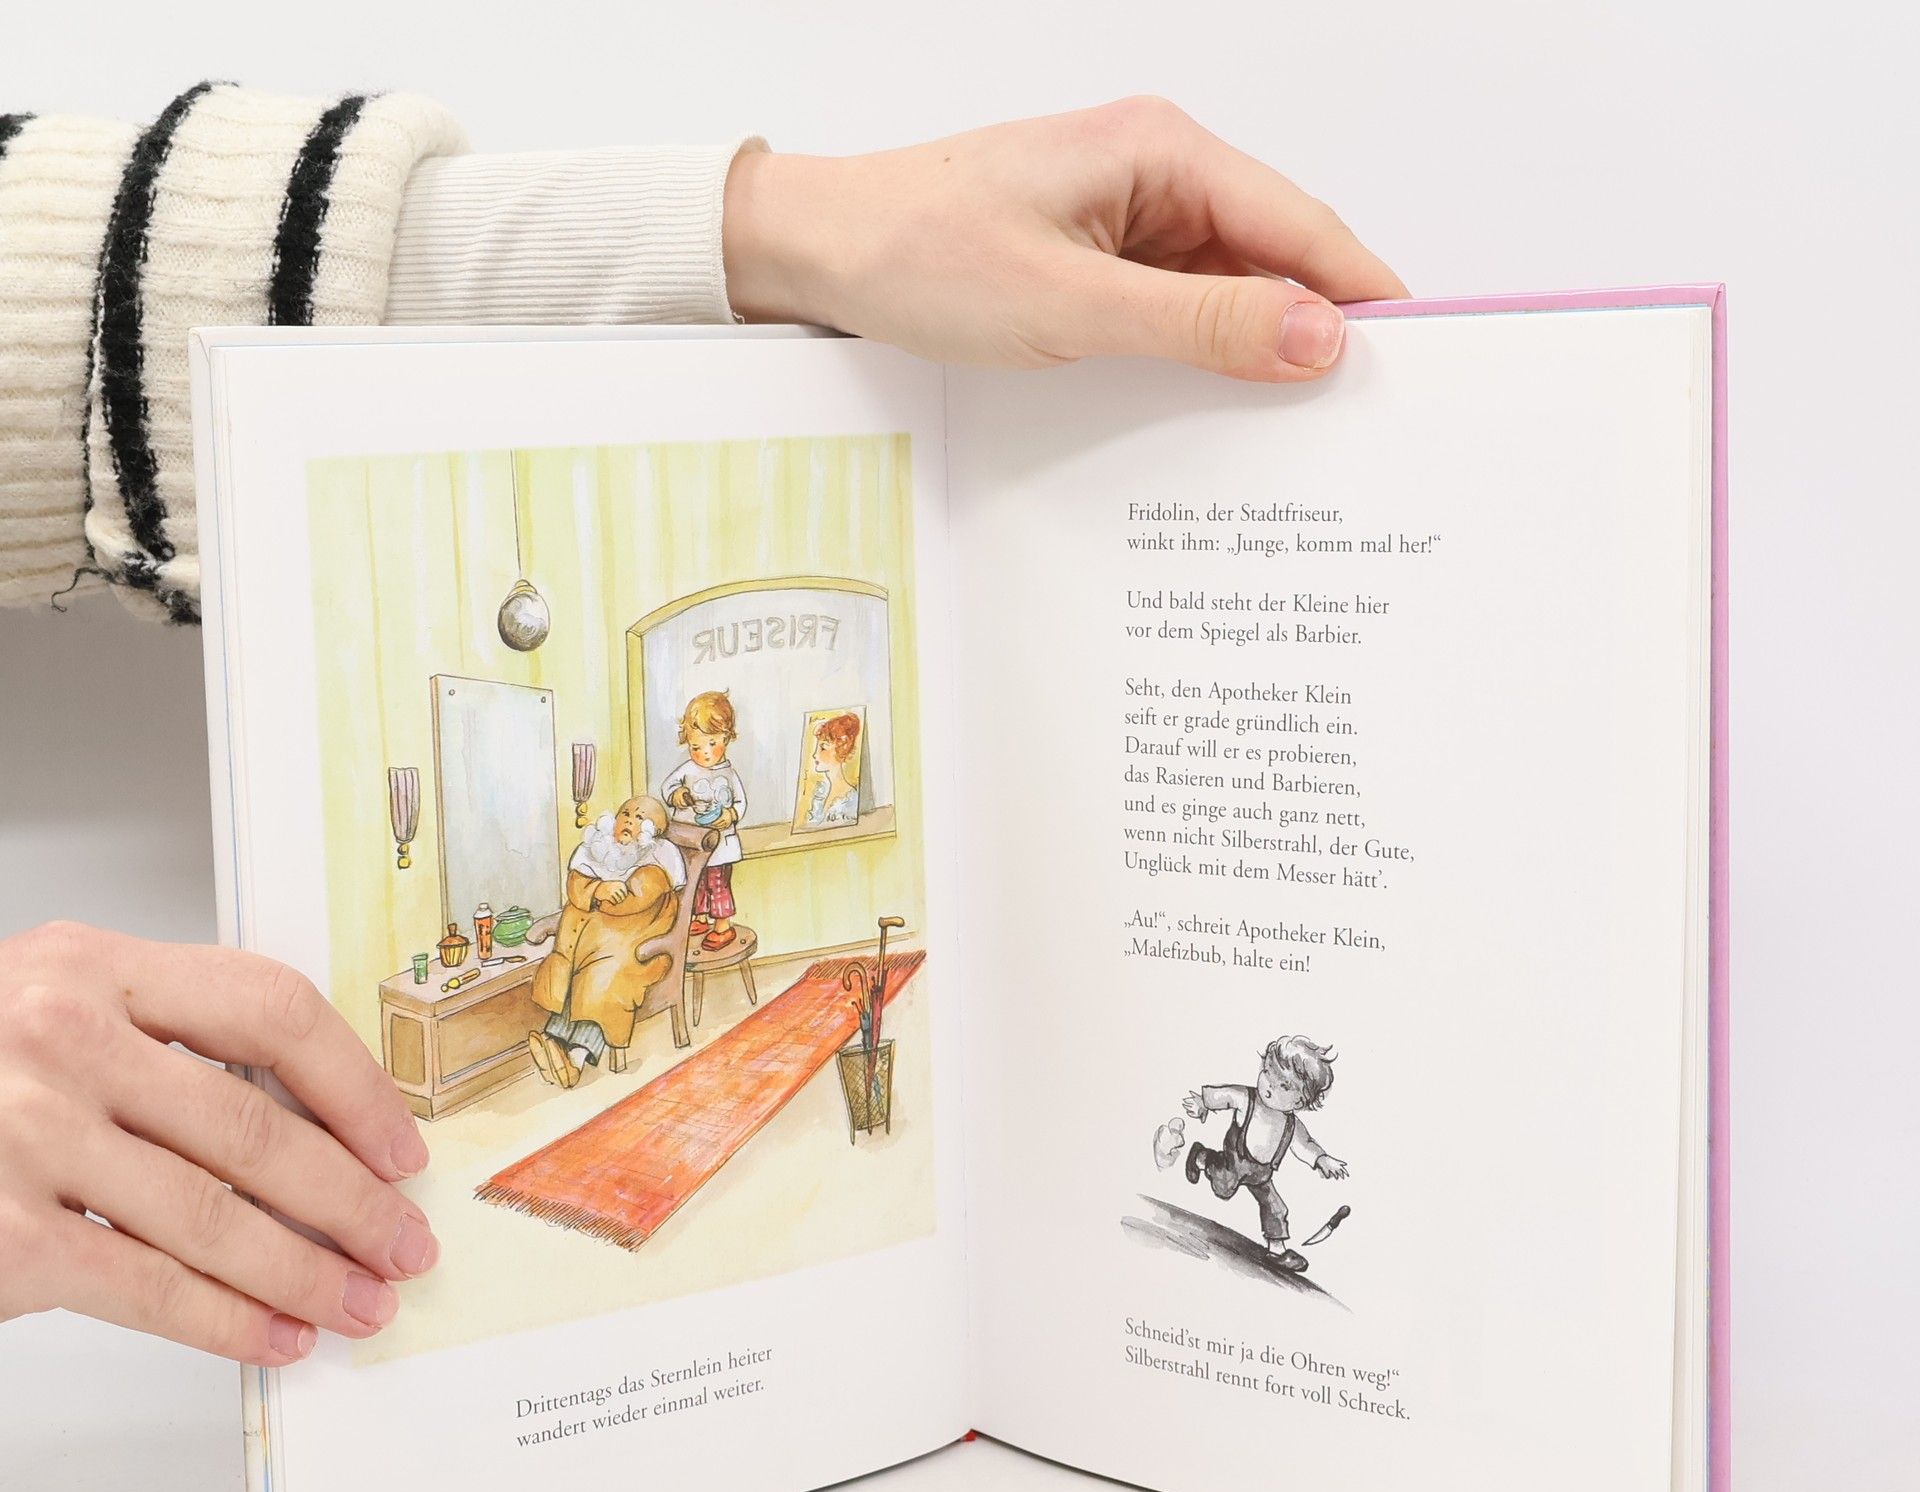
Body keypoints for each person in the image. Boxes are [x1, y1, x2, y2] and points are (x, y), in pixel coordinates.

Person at [0, 88, 1405, 1366]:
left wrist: (772, 227)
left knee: (634, 941)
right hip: (648, 895)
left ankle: (589, 1027)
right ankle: (576, 1035)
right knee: (594, 953)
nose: (703, 755)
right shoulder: (642, 822)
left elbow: (89, 301)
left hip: (686, 881)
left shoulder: (698, 806)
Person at [527, 797, 685, 1088]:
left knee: (601, 983)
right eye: (625, 812)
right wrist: (596, 888)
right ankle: (554, 1046)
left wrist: (603, 894)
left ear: (652, 831)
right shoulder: (599, 849)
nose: (629, 820)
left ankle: (574, 1060)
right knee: (573, 975)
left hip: (634, 948)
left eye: (640, 817)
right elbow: (576, 885)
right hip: (591, 942)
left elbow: (631, 901)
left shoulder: (656, 861)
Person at [1183, 1035, 1349, 1266]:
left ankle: (1277, 1251)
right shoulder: (1247, 1098)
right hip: (1235, 1161)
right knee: (1223, 1188)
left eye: (1284, 1086)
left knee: (1276, 1208)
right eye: (1268, 1072)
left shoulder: (1292, 1125)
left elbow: (1305, 1144)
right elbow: (1226, 1095)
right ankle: (1202, 1157)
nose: (1270, 1086)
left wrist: (1321, 1159)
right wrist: (1204, 1103)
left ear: (1300, 1102)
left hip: (1262, 1175)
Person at [662, 691, 748, 951]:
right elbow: (667, 787)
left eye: (711, 743)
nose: (704, 753)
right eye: (696, 747)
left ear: (726, 738)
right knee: (695, 882)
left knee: (717, 884)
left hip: (720, 846)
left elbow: (740, 803)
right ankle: (699, 918)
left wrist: (730, 815)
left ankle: (722, 926)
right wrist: (678, 795)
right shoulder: (688, 770)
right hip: (692, 845)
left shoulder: (729, 774)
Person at [803, 712, 862, 830]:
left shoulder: (851, 800)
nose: (814, 755)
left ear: (842, 747)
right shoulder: (821, 793)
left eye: (823, 748)